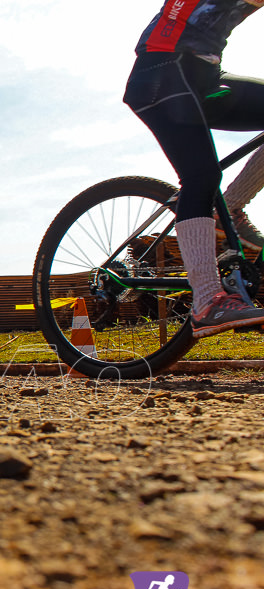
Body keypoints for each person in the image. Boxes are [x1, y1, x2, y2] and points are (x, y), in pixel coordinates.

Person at [123, 1, 264, 339]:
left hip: (204, 75)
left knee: (207, 178)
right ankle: (206, 301)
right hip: (161, 71)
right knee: (201, 175)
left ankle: (229, 206)